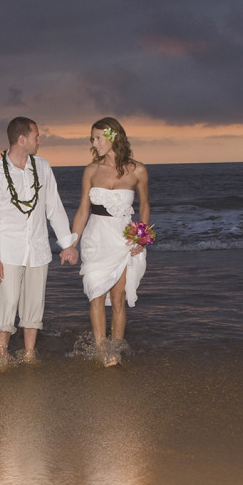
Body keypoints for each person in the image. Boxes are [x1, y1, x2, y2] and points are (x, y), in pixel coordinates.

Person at [0, 117, 79, 364]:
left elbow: (54, 207)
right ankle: (2, 356)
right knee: (9, 300)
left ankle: (28, 354)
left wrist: (67, 244)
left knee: (34, 303)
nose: (40, 140)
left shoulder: (43, 167)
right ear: (22, 139)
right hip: (8, 250)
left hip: (38, 248)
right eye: (37, 136)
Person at [69, 117, 150, 366]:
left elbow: (145, 205)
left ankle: (115, 348)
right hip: (96, 236)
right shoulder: (91, 171)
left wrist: (141, 237)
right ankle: (102, 350)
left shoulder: (138, 170)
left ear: (113, 137)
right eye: (92, 138)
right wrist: (72, 243)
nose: (94, 143)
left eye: (98, 138)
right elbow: (83, 209)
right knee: (95, 293)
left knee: (117, 299)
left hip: (122, 238)